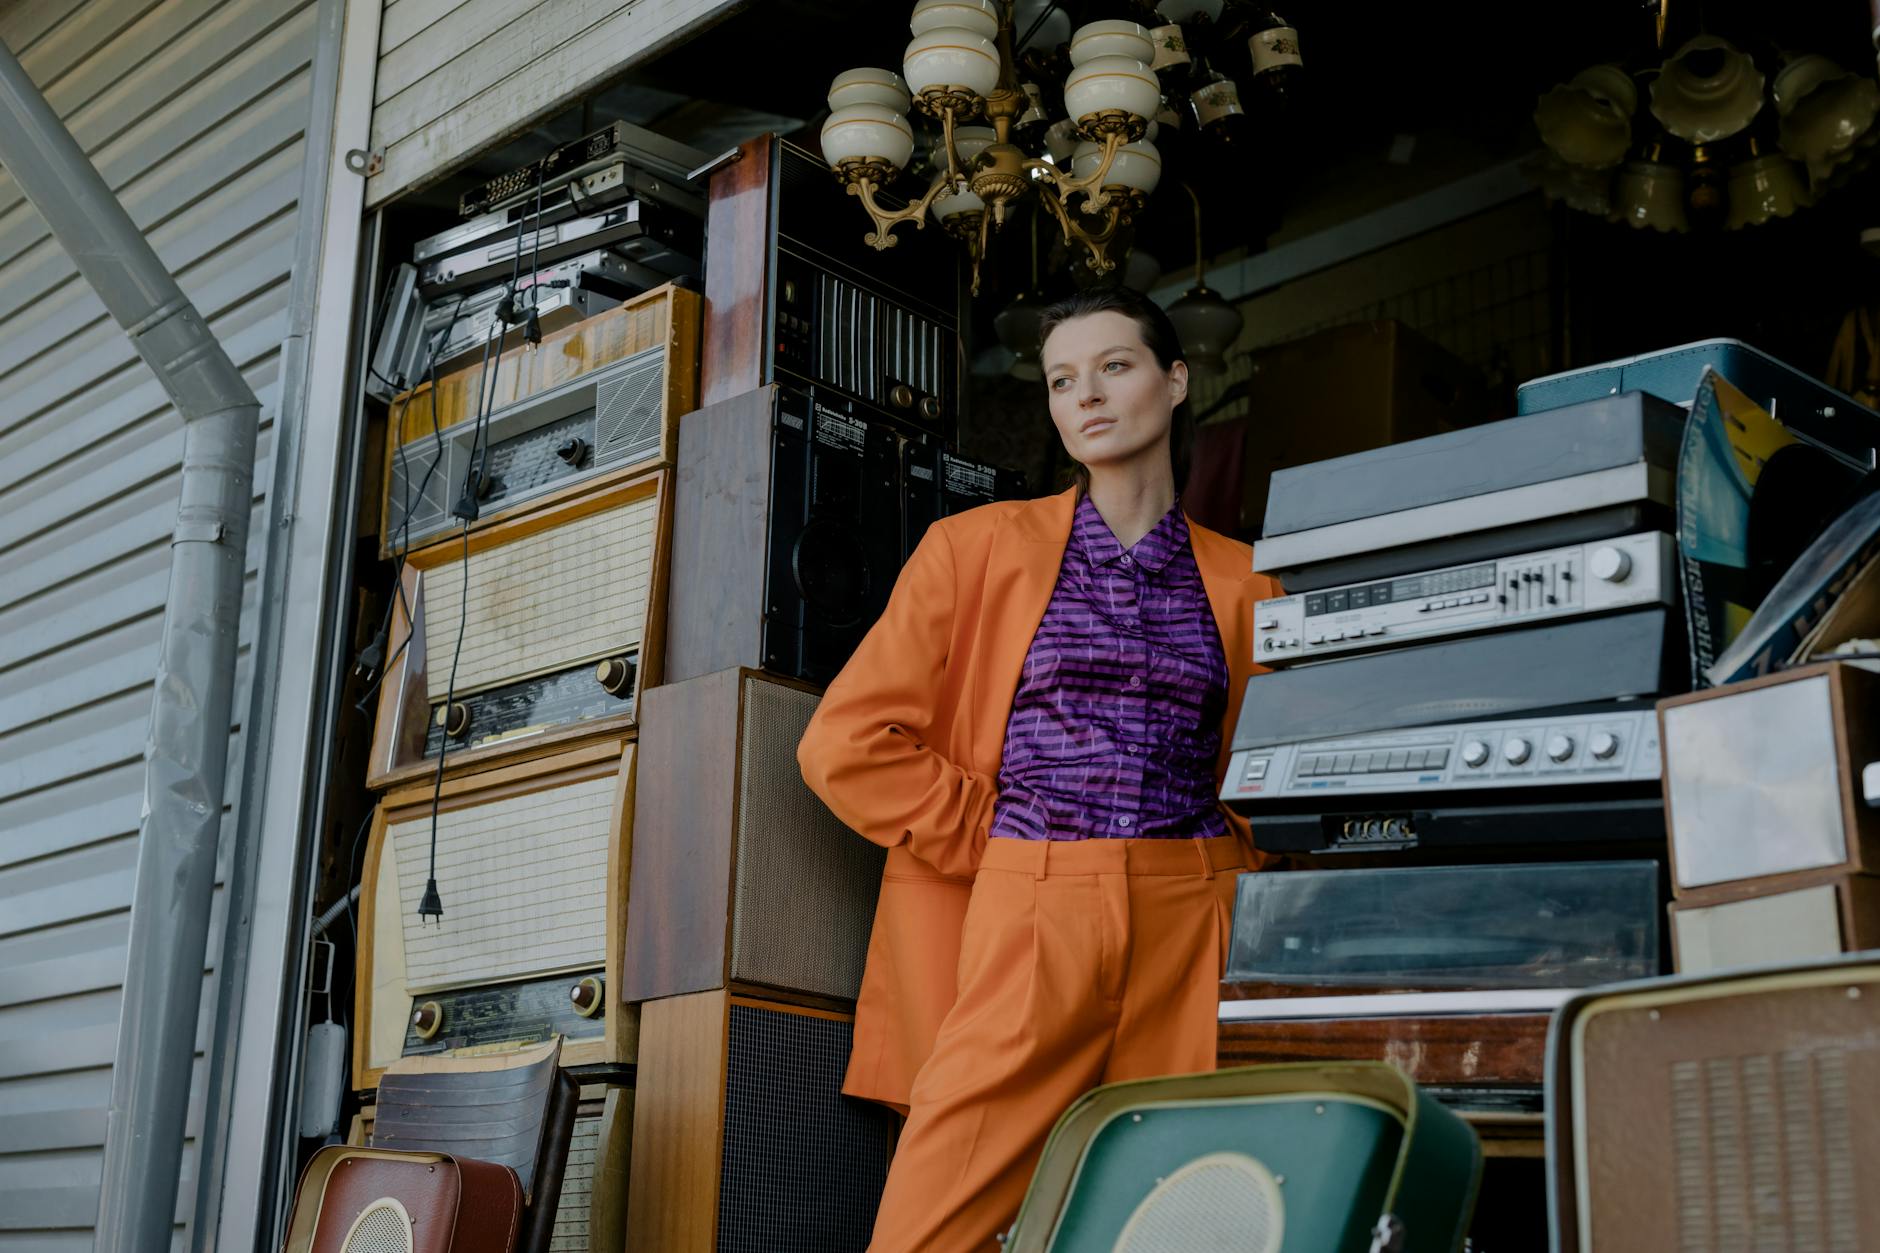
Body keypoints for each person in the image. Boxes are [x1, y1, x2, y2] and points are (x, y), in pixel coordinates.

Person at [798, 283, 1282, 1252]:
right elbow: (841, 744)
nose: (1085, 396)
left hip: (1193, 914)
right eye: (1062, 380)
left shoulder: (1248, 576)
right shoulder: (972, 547)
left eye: (1113, 365)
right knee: (932, 1226)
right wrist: (997, 834)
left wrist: (1240, 873)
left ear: (1175, 379)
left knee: (1176, 1217)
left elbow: (1276, 774)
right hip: (1029, 896)